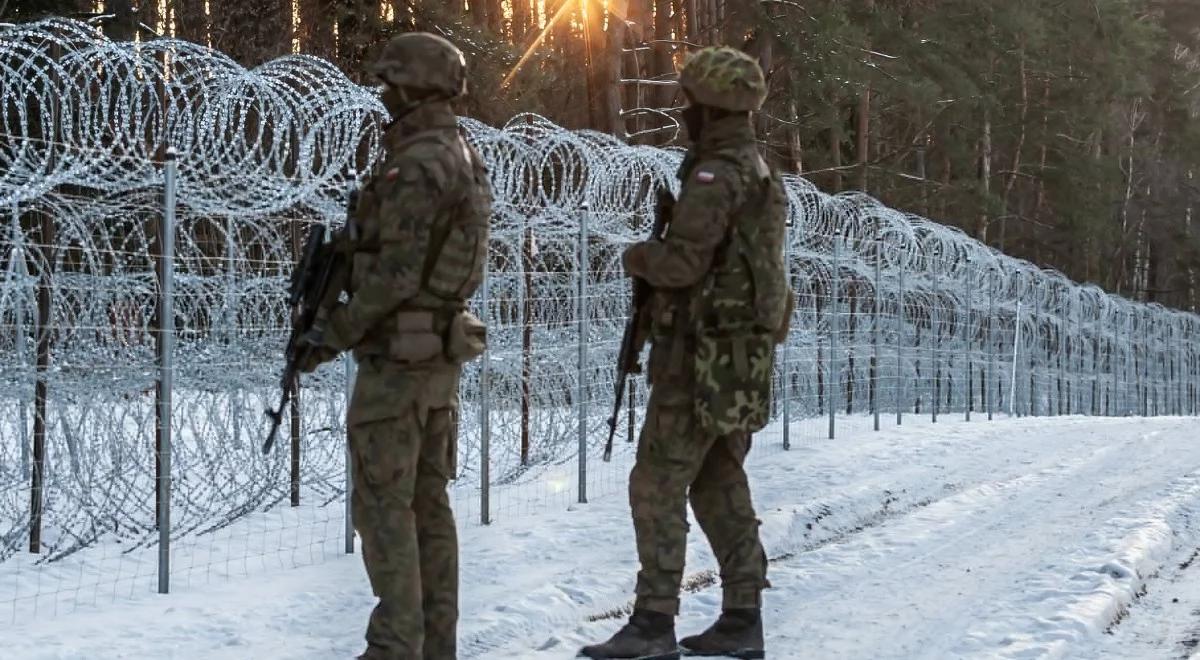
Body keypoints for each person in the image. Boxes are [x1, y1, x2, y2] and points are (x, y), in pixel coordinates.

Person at [580, 46, 792, 660]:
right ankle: (742, 615)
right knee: (719, 481)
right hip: (739, 360)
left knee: (656, 483)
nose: (683, 114)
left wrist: (637, 256)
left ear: (709, 107)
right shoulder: (757, 170)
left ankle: (652, 623)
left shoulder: (715, 173)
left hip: (698, 359)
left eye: (690, 103)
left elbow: (683, 263)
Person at [299, 32, 492, 660]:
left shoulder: (417, 160)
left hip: (400, 360)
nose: (384, 94)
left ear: (411, 87)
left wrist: (330, 334)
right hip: (435, 351)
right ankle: (433, 646)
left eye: (391, 83)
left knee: (385, 507)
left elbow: (397, 273)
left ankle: (395, 648)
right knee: (427, 504)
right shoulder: (460, 151)